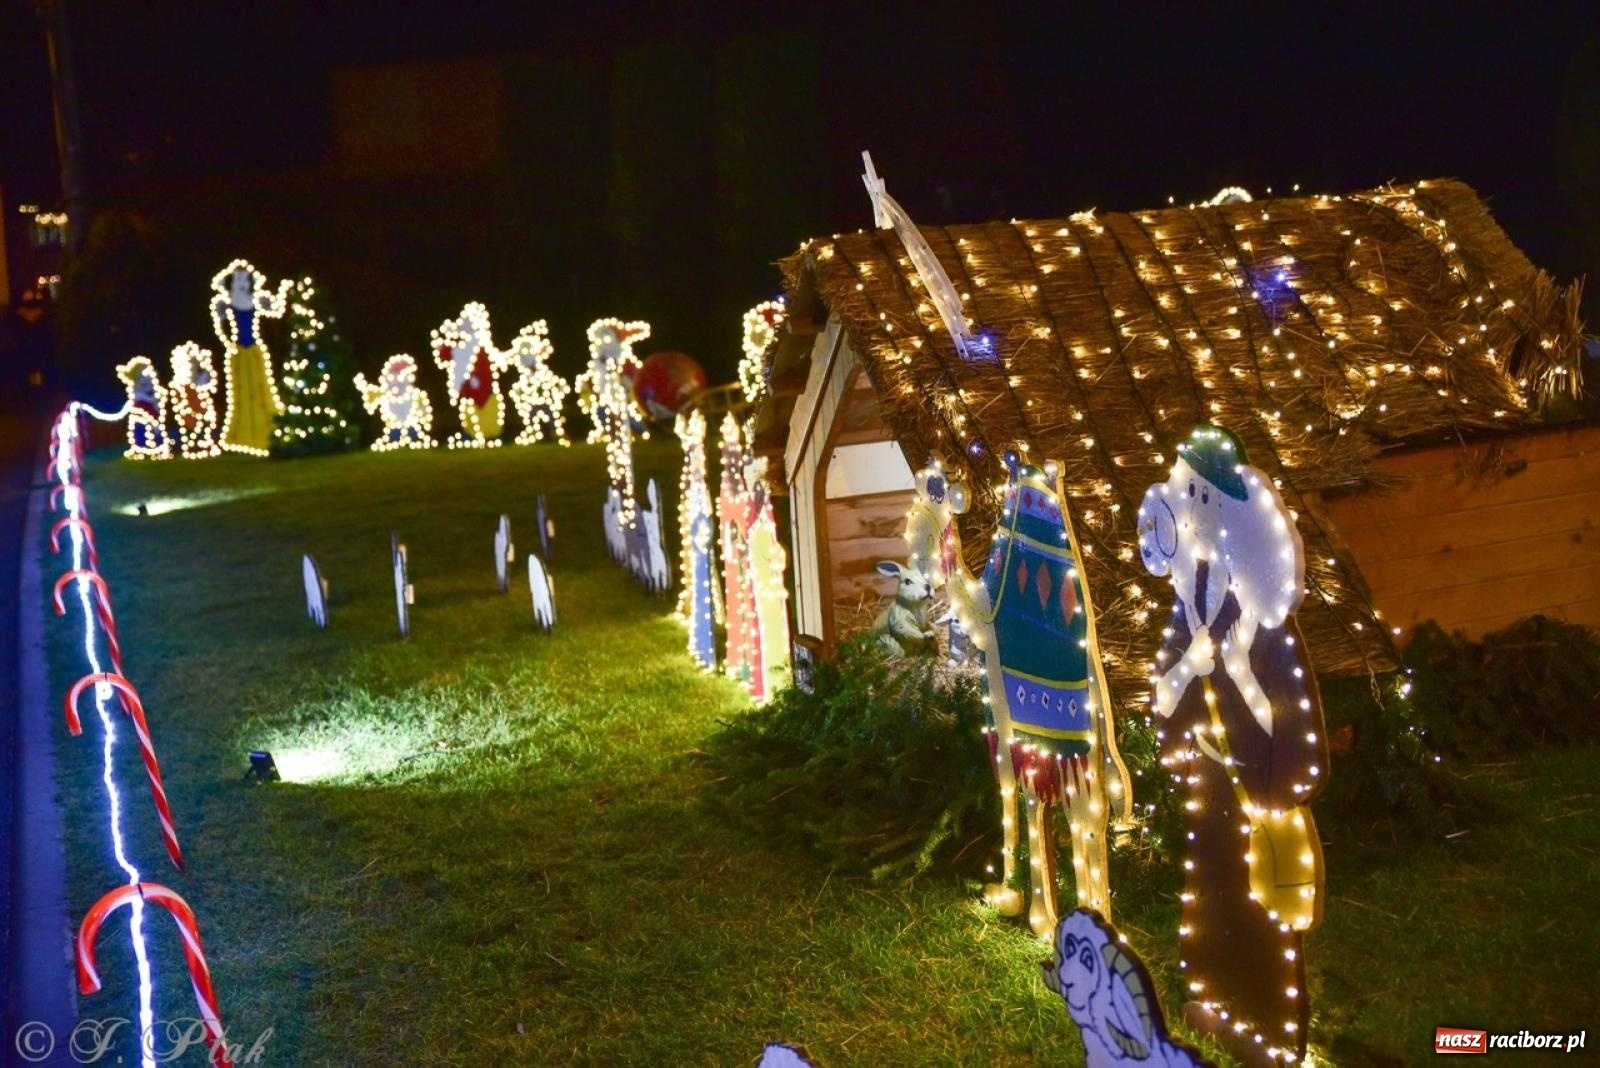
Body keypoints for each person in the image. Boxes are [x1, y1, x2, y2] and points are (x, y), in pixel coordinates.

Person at [209, 260, 289, 455]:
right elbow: (219, 326)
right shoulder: (225, 303)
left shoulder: (256, 299)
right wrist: (228, 343)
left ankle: (267, 432)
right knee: (241, 393)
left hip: (254, 351)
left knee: (261, 389)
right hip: (238, 353)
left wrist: (283, 291)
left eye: (245, 278)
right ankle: (242, 436)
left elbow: (277, 310)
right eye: (238, 278)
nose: (242, 282)